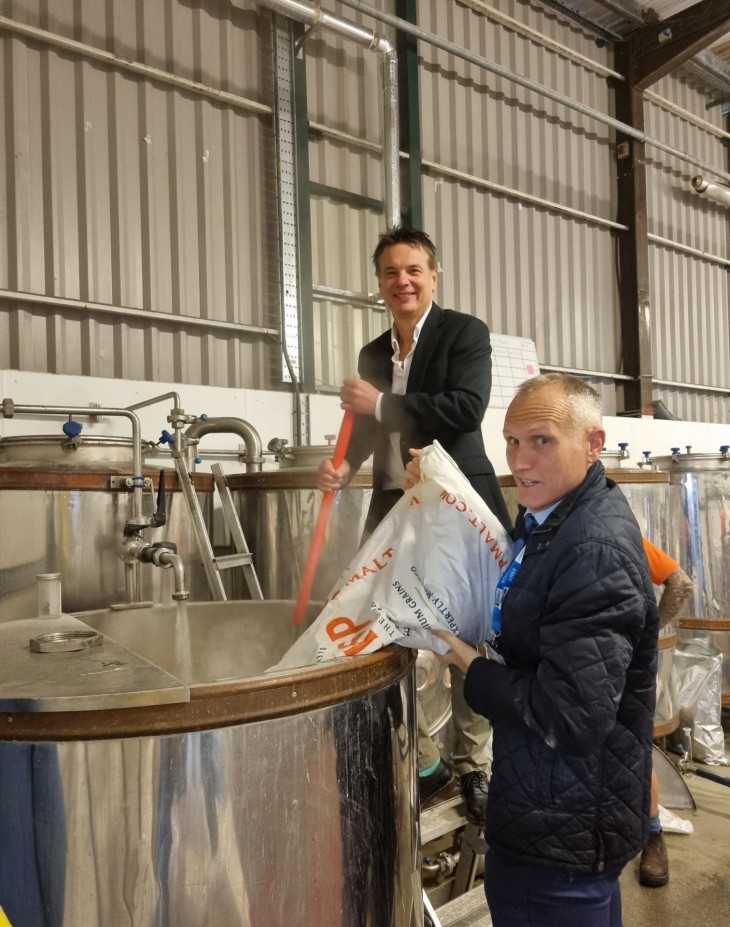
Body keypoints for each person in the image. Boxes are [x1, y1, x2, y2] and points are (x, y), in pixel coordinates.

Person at [424, 373, 658, 927]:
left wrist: (471, 664)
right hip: (554, 805)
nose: (520, 461)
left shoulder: (593, 547)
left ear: (593, 444)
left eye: (542, 441)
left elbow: (571, 716)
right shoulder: (549, 517)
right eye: (511, 441)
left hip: (563, 831)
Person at [317, 226, 511, 825]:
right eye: (390, 272)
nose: (403, 281)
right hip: (394, 507)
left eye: (414, 270)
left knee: (470, 631)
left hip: (455, 507)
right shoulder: (374, 353)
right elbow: (370, 427)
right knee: (384, 619)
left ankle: (474, 765)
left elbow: (464, 408)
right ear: (379, 284)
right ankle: (419, 759)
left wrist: (378, 404)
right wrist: (343, 464)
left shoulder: (464, 333)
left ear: (433, 276)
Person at [639, 537, 694, 888]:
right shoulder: (543, 530)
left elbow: (681, 581)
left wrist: (650, 630)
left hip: (625, 662)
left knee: (634, 748)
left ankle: (652, 835)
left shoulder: (619, 529)